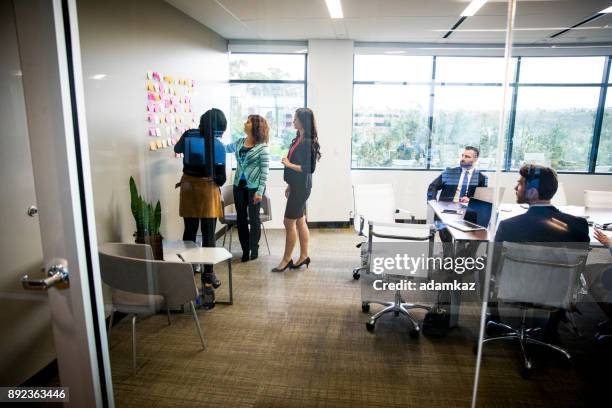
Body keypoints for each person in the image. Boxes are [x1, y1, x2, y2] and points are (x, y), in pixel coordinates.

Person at [491, 164, 590, 339]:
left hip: (514, 288)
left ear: (533, 192)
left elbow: (493, 266)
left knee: (484, 264)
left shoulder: (509, 226)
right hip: (557, 291)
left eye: (520, 184)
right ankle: (552, 328)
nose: (515, 187)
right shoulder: (578, 225)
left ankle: (494, 320)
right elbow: (578, 267)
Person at [174, 108, 227, 301]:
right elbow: (220, 179)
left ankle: (187, 271)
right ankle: (208, 275)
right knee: (208, 234)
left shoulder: (189, 134)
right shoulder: (217, 145)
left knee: (189, 231)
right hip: (207, 190)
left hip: (188, 188)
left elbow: (177, 149)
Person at [273, 108, 321, 272]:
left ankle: (287, 259)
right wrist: (290, 184)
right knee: (300, 221)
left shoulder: (308, 142)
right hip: (296, 185)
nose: (293, 121)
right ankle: (304, 256)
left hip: (302, 187)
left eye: (295, 119)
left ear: (302, 121)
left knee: (288, 222)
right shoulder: (298, 139)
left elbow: (309, 168)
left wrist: (288, 164)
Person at [225, 115, 270, 262]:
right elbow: (224, 149)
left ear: (255, 126)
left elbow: (265, 171)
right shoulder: (239, 143)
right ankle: (245, 250)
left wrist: (260, 191)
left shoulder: (262, 148)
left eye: (249, 121)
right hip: (239, 186)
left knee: (254, 219)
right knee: (241, 219)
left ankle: (254, 248)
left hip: (254, 188)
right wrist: (212, 140)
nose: (245, 122)